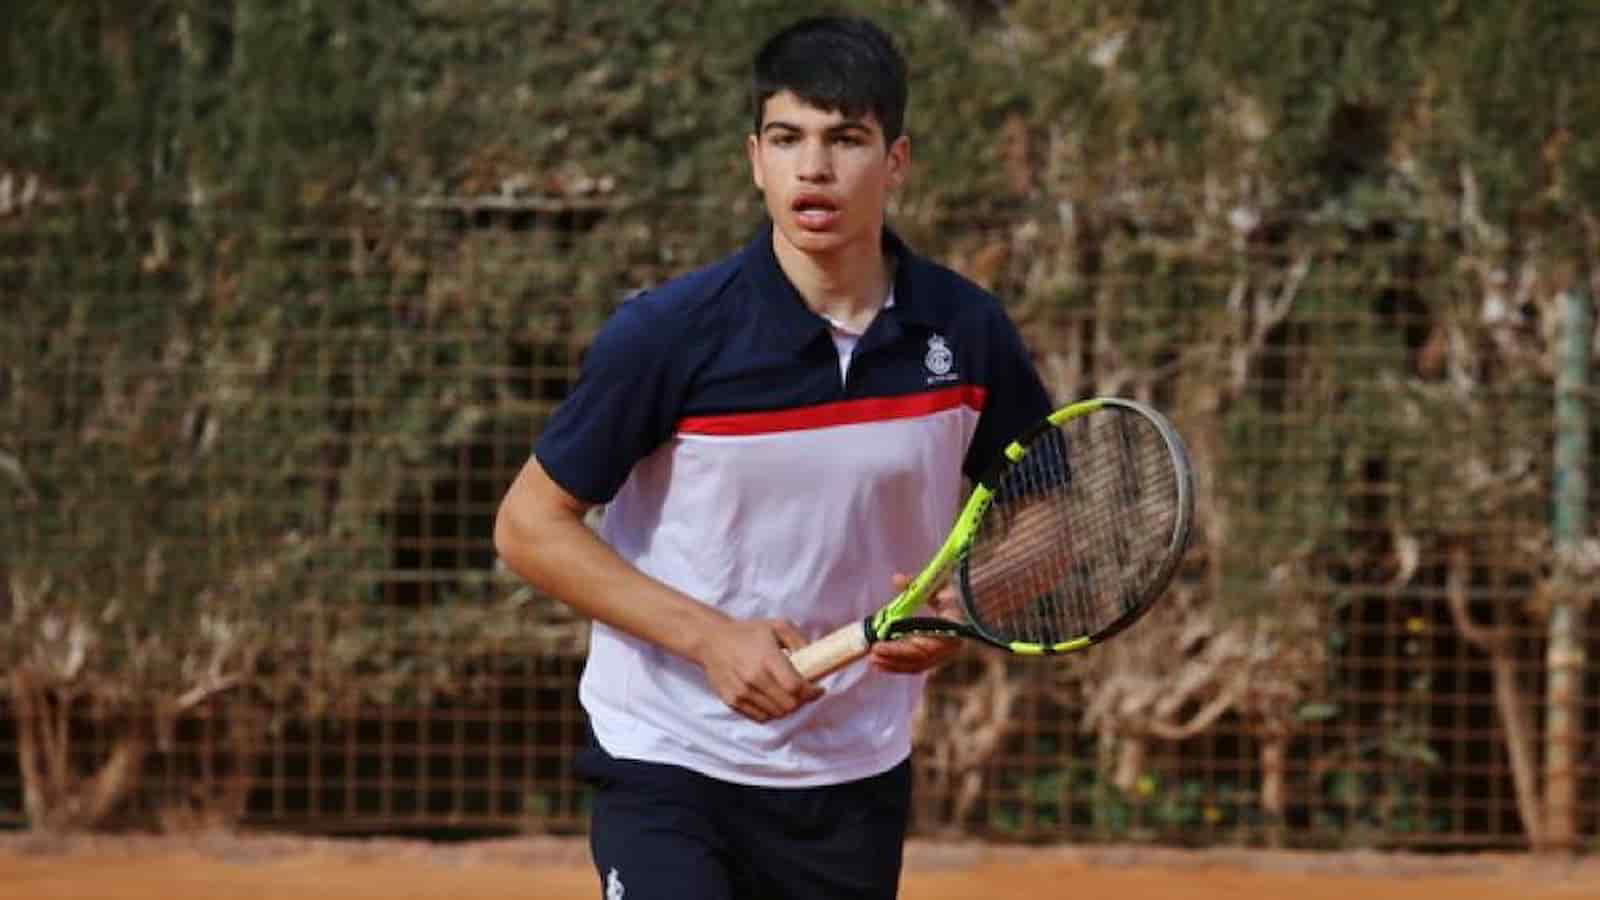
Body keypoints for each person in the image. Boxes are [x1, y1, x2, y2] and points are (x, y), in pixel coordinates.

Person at [493, 14, 1051, 900]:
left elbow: (1049, 505)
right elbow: (529, 526)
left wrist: (974, 605)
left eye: (846, 140)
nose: (814, 168)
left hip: (852, 774)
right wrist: (710, 639)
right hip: (669, 756)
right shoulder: (670, 335)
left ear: (896, 161)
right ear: (756, 159)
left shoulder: (965, 333)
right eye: (788, 139)